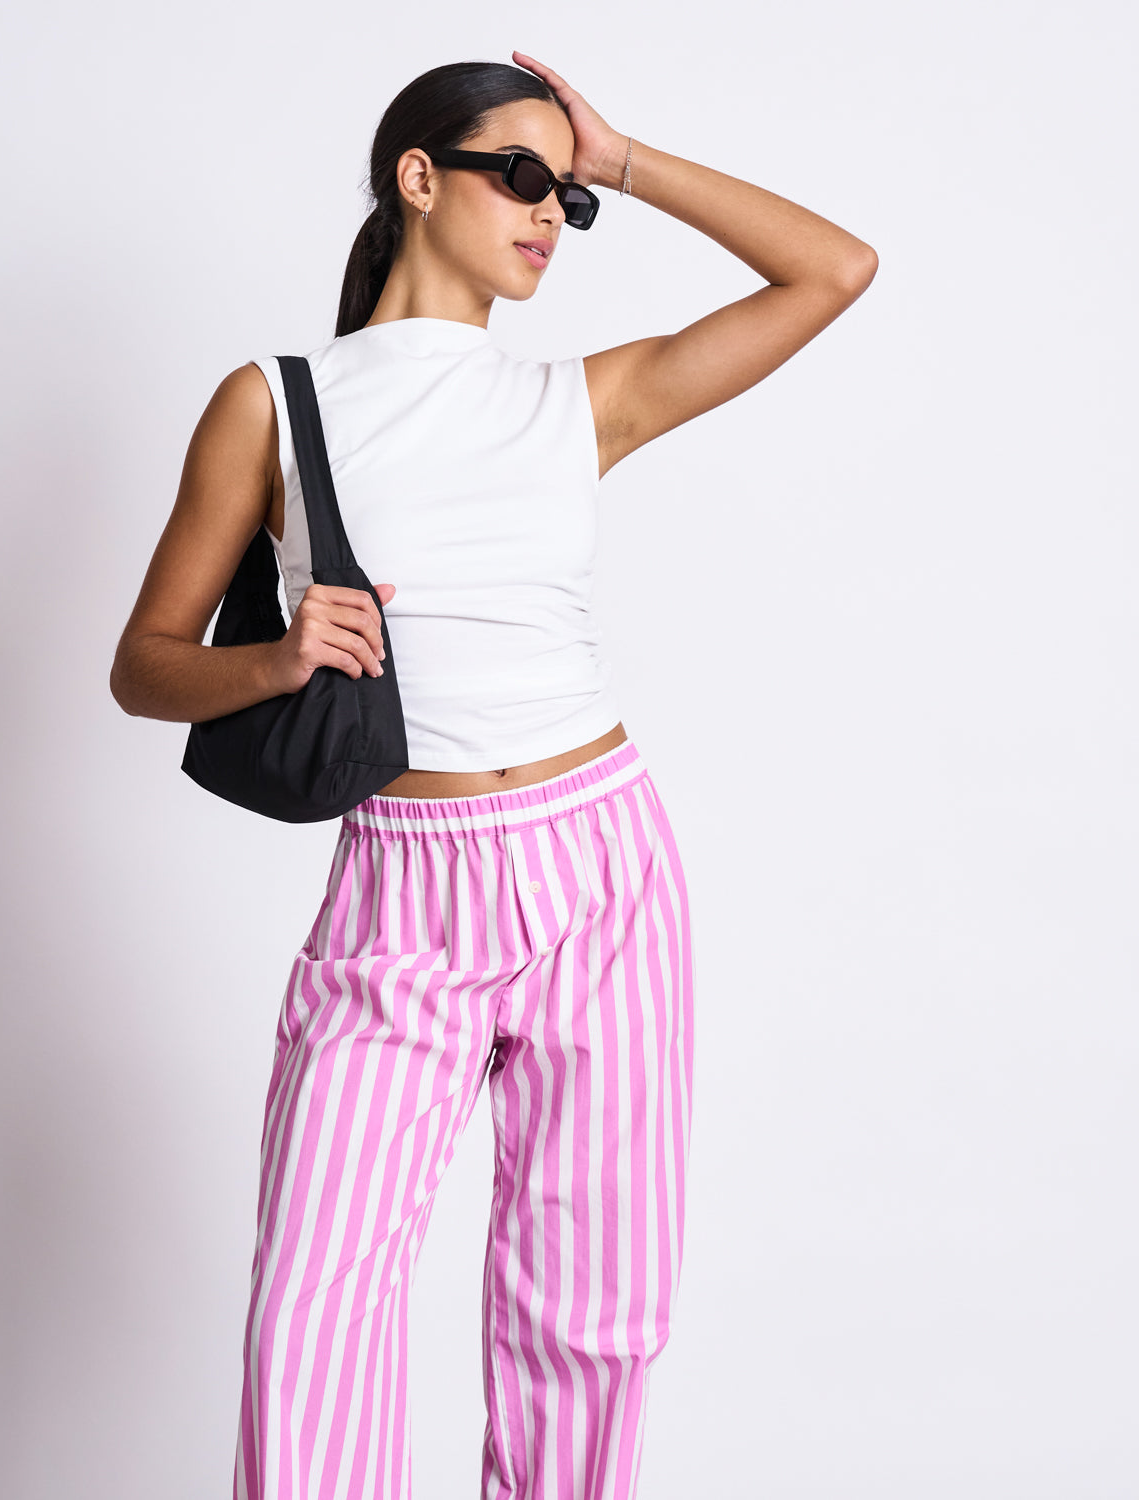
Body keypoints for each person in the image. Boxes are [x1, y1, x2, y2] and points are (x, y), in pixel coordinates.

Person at [110, 50, 876, 1500]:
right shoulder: (278, 405)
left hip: (603, 868)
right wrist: (274, 663)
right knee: (314, 1308)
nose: (549, 211)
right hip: (405, 886)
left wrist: (625, 157)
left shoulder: (578, 401)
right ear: (418, 177)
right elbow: (144, 662)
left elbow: (833, 270)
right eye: (521, 175)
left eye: (566, 197)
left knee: (590, 1317)